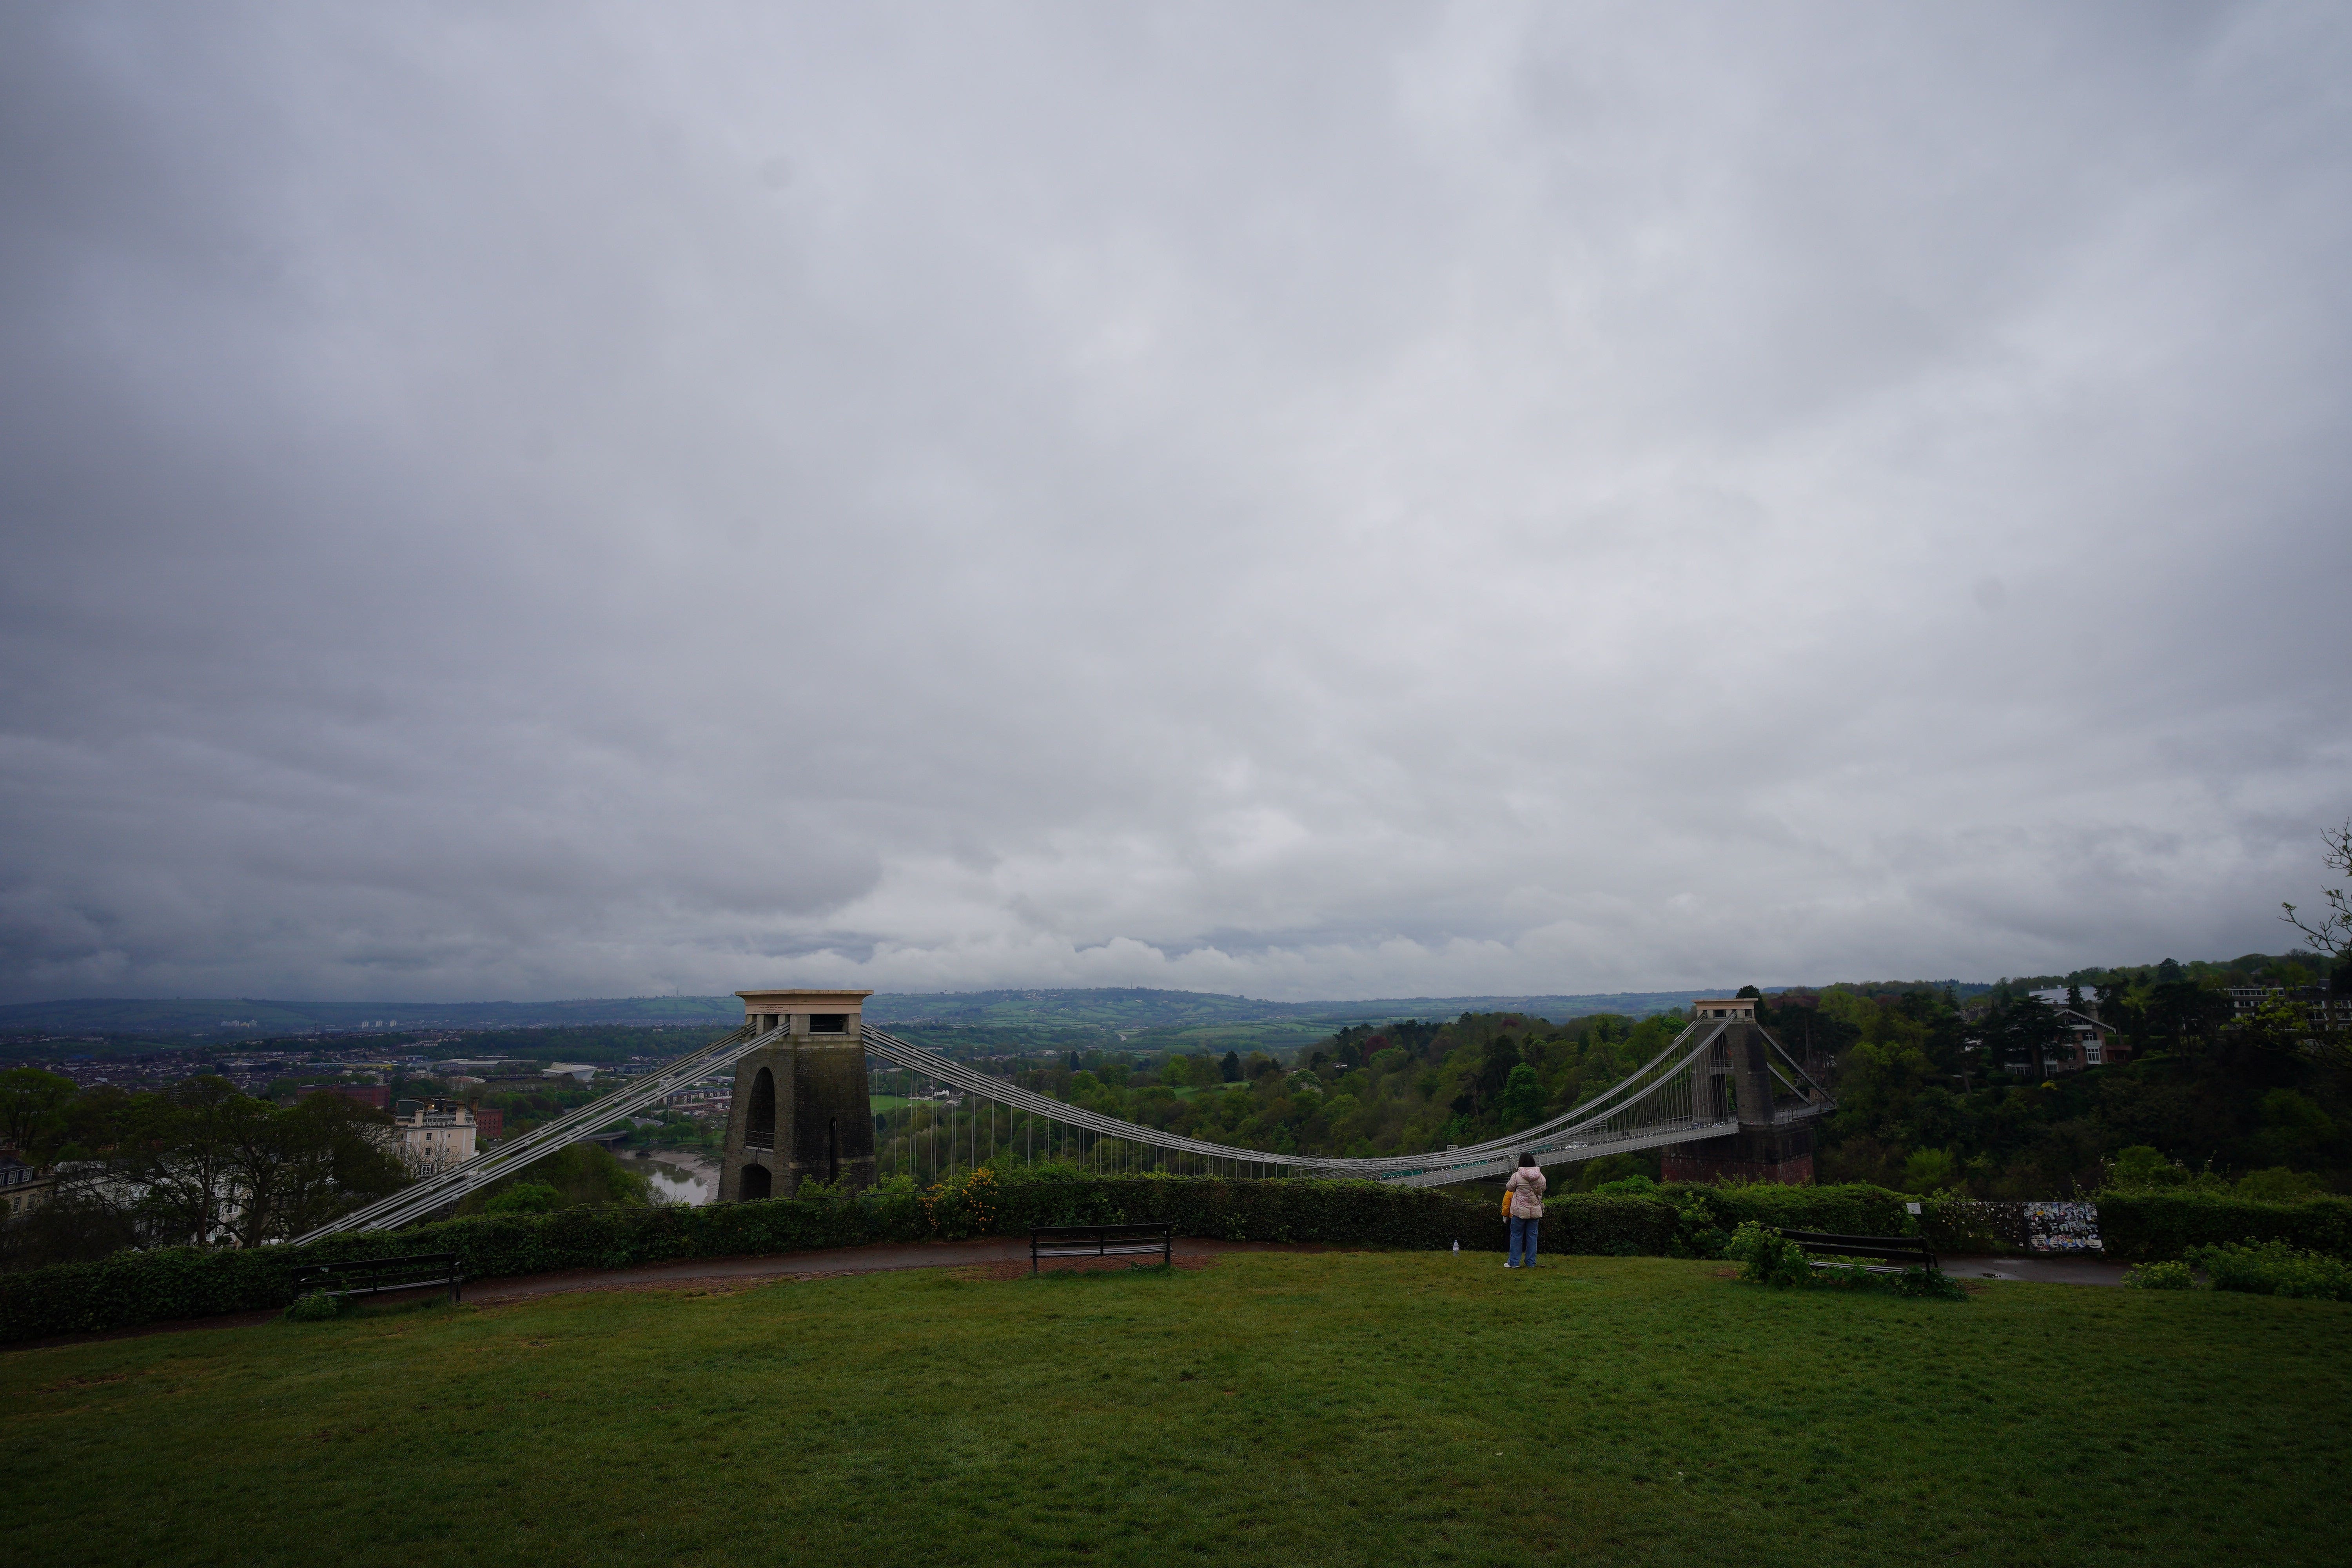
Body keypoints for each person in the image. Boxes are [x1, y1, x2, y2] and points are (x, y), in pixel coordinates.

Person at [1504, 1152, 1546, 1268]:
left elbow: (1509, 1188)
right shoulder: (1541, 1176)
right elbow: (1544, 1188)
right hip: (1535, 1211)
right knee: (1532, 1237)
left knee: (1517, 1236)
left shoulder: (1517, 1176)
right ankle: (1531, 1263)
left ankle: (1514, 1262)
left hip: (1520, 1211)